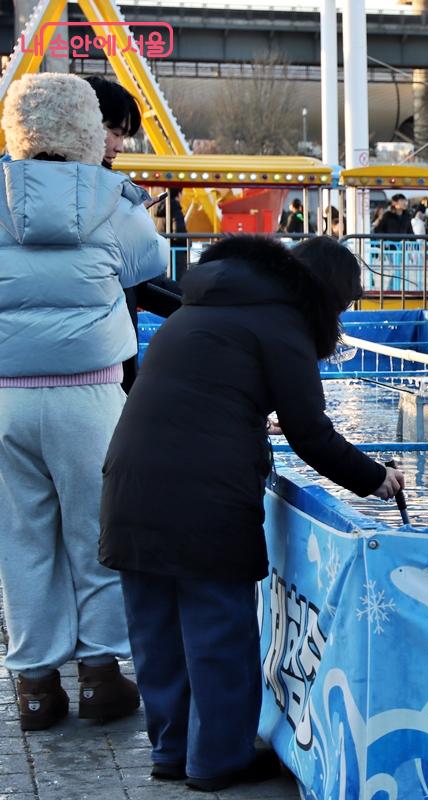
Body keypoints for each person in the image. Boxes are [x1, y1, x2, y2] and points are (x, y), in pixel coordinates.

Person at [99, 236, 404, 791]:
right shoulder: (281, 323)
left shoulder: (201, 307)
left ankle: (171, 751)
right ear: (324, 296)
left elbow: (198, 393)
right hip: (204, 496)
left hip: (129, 484)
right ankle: (218, 761)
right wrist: (375, 478)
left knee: (156, 632)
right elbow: (311, 433)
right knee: (218, 632)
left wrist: (244, 416)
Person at [0, 72, 167, 732]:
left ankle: (35, 687)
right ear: (89, 129)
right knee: (99, 537)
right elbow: (147, 267)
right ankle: (101, 676)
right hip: (91, 392)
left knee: (21, 543)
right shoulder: (116, 201)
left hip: (5, 399)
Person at [81, 75, 183, 393]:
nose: (119, 146)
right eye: (113, 132)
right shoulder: (110, 197)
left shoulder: (17, 188)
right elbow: (145, 271)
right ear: (83, 123)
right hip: (106, 374)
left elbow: (137, 283)